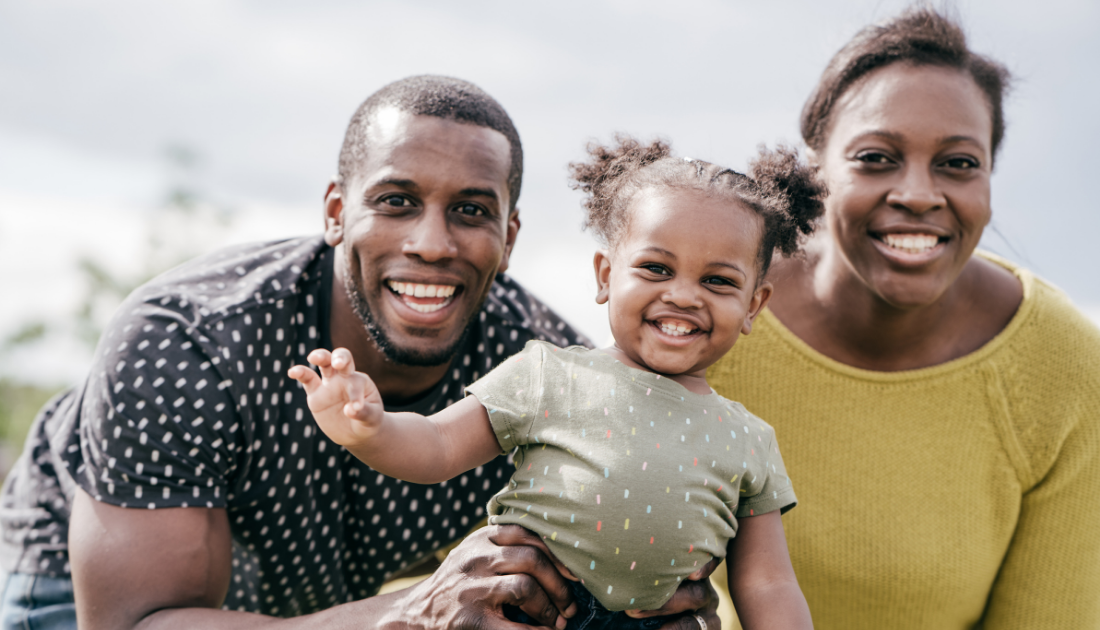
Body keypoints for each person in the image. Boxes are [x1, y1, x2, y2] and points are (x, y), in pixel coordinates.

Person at [0, 76, 719, 630]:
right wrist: (406, 615)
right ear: (337, 213)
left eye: (471, 210)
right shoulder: (186, 342)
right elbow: (138, 624)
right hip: (94, 587)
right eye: (397, 201)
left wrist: (642, 597)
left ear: (510, 236)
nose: (432, 244)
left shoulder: (557, 382)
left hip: (329, 600)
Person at [289, 136, 825, 630]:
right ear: (605, 276)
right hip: (521, 609)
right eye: (657, 269)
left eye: (718, 280)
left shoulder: (749, 439)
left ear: (754, 304)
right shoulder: (549, 376)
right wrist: (368, 430)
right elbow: (436, 446)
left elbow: (767, 582)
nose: (684, 296)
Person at [706, 7, 1100, 629]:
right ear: (816, 172)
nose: (918, 193)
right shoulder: (711, 317)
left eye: (958, 163)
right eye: (876, 157)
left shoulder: (1067, 366)